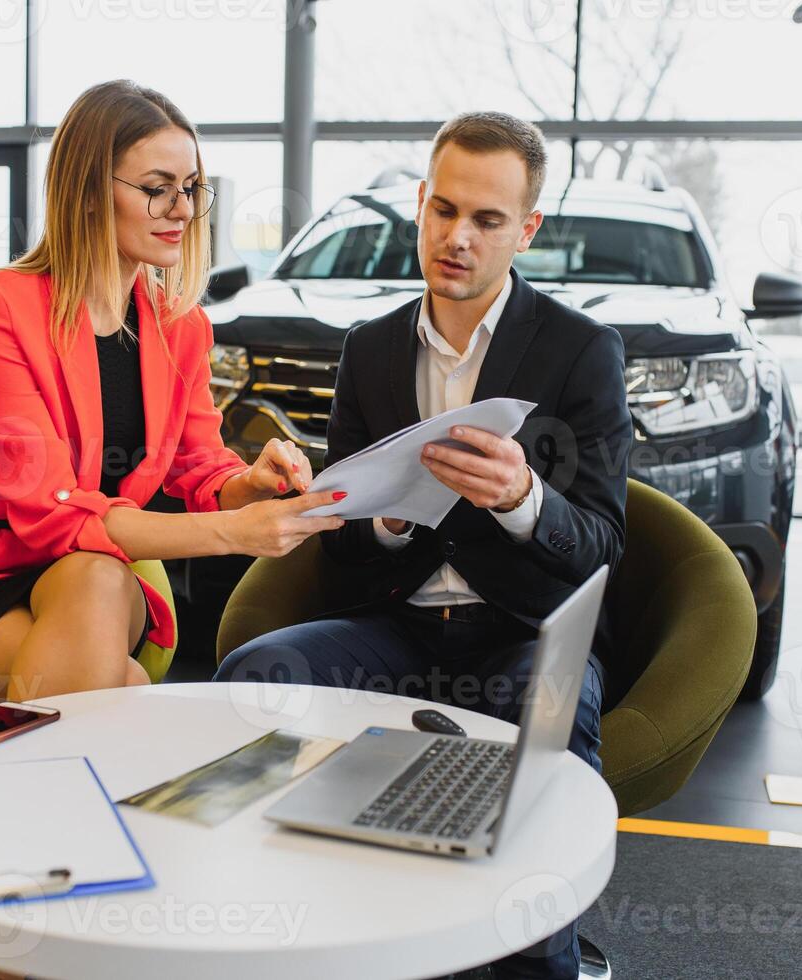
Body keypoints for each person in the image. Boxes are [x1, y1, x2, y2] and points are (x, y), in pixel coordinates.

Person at [213, 111, 632, 980]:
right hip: (395, 628)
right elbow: (345, 551)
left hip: (524, 631)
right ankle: (290, 942)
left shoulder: (580, 351)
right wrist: (385, 518)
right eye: (443, 211)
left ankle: (533, 966)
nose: (457, 238)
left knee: (535, 741)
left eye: (486, 220)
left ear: (527, 230)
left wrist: (523, 497)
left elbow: (602, 545)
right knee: (255, 677)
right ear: (420, 205)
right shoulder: (368, 350)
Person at [0, 78, 343, 713]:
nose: (180, 209)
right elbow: (54, 516)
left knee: (94, 582)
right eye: (156, 188)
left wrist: (252, 483)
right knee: (123, 684)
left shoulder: (181, 327)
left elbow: (200, 466)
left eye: (191, 189)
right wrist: (235, 531)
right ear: (88, 193)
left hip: (98, 580)